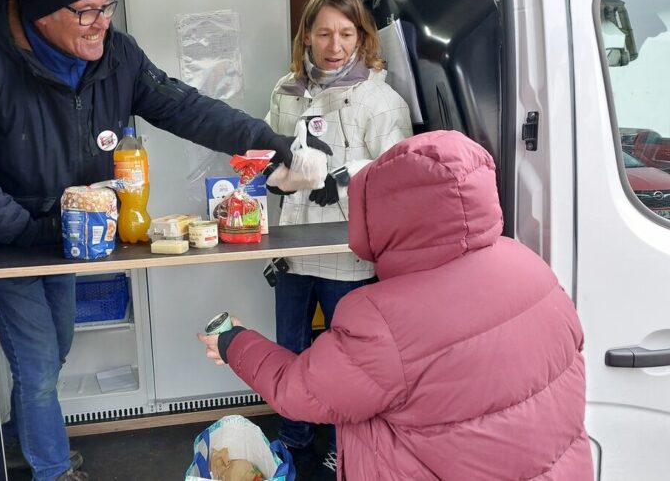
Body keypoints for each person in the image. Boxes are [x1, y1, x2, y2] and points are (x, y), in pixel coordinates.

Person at [0, 0, 330, 480]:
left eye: (106, 6)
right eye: (86, 11)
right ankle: (53, 469)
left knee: (57, 345)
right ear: (40, 11)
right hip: (6, 239)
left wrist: (273, 148)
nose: (103, 21)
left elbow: (187, 108)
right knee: (39, 365)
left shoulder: (117, 54)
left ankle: (20, 437)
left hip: (71, 230)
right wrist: (22, 229)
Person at [199, 131, 594, 480]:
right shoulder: (531, 266)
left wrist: (234, 341)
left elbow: (300, 391)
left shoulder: (382, 318)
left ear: (384, 213)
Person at [263, 0, 412, 472]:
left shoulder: (380, 99)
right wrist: (273, 177)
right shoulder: (286, 91)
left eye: (345, 34)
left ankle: (343, 442)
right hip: (292, 249)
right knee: (291, 348)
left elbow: (397, 178)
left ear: (362, 36)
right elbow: (266, 150)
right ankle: (294, 435)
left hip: (349, 255)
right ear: (306, 36)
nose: (334, 47)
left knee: (348, 358)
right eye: (323, 33)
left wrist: (342, 182)